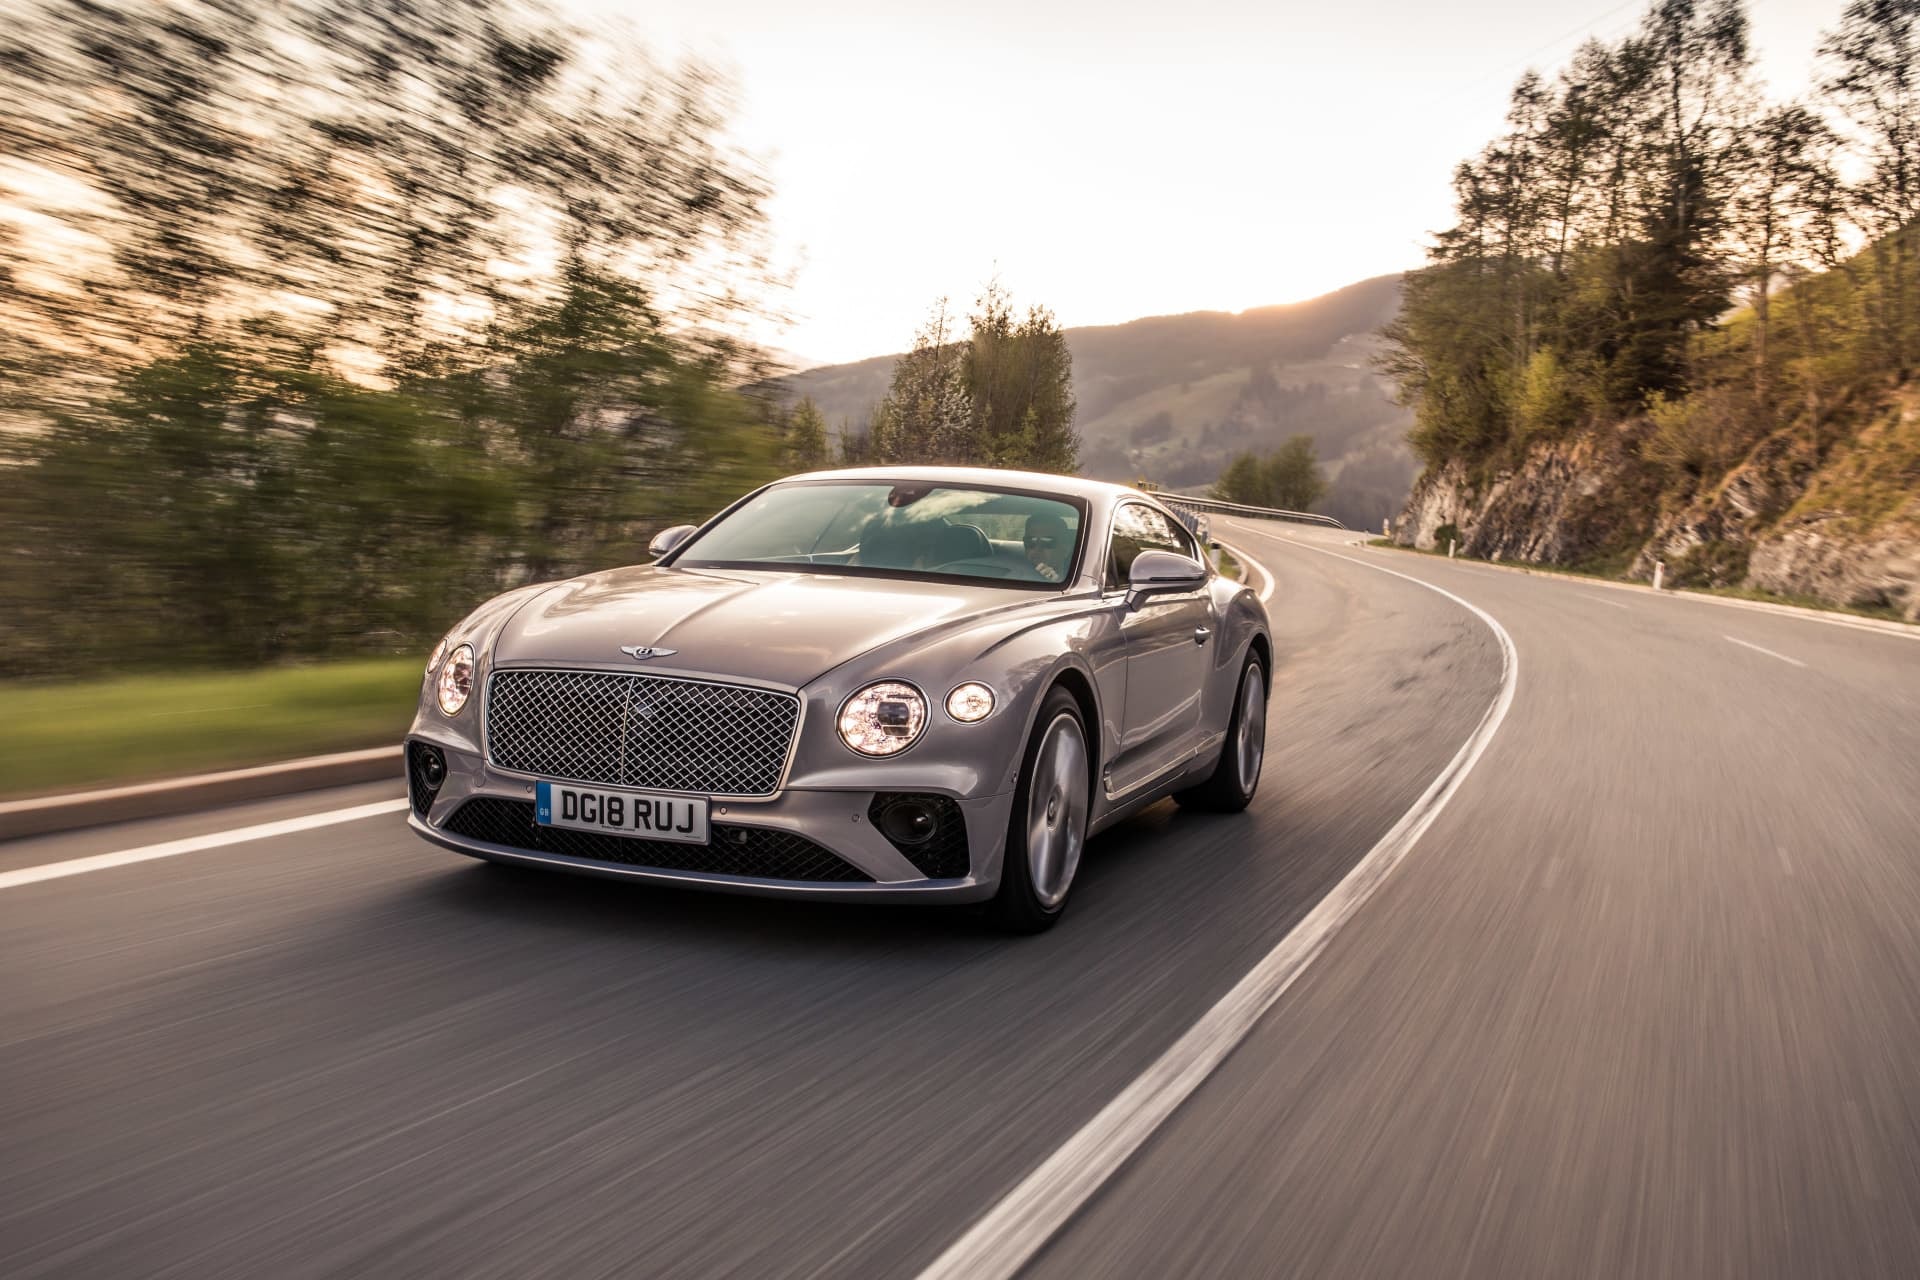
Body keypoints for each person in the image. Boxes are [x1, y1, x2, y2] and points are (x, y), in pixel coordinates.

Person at [1022, 512, 1072, 582]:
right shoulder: (1010, 577)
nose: (1037, 549)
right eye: (1030, 541)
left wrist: (1056, 581)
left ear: (1066, 550)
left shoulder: (1074, 582)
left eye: (1047, 542)